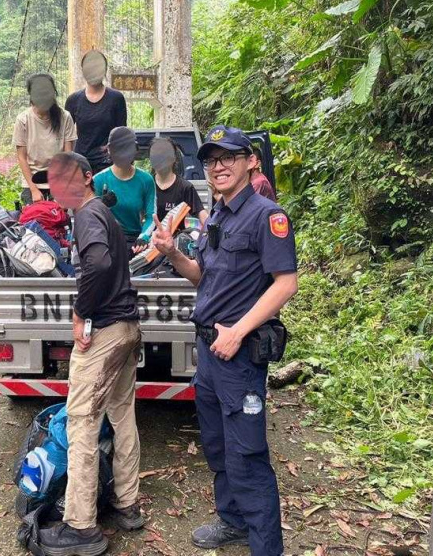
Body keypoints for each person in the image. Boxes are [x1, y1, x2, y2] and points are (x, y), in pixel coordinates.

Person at [152, 125, 298, 556]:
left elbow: (285, 283)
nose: (218, 166)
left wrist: (239, 331)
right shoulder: (215, 214)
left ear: (250, 161)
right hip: (209, 351)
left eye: (228, 157)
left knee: (248, 454)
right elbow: (204, 276)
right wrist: (173, 253)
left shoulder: (267, 216)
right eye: (211, 159)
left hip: (239, 355)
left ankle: (266, 548)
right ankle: (232, 521)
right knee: (217, 445)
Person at [39, 152, 144, 556]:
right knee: (122, 415)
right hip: (128, 328)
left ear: (86, 178)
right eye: (54, 180)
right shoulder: (100, 212)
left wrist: (80, 312)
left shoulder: (86, 213)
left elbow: (98, 263)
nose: (61, 186)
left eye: (68, 178)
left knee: (82, 422)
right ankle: (126, 503)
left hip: (105, 333)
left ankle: (82, 527)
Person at [14, 73, 77, 205]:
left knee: (62, 221)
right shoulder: (23, 120)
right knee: (33, 223)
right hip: (33, 182)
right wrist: (34, 189)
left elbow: (68, 154)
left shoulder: (65, 117)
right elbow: (22, 157)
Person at [93, 126, 156, 255]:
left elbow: (151, 216)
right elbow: (87, 216)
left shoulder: (146, 180)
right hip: (106, 242)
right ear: (109, 150)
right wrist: (100, 205)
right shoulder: (98, 180)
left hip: (135, 243)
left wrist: (143, 237)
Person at [65, 50, 127, 174]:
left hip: (107, 165)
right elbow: (66, 136)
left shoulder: (116, 98)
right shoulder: (73, 100)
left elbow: (121, 134)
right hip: (81, 164)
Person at [149, 137, 209, 224]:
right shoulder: (146, 185)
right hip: (148, 237)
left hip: (175, 236)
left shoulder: (185, 187)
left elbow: (201, 214)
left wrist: (213, 231)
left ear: (173, 158)